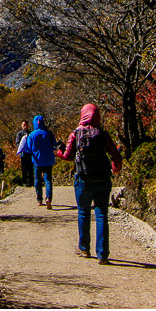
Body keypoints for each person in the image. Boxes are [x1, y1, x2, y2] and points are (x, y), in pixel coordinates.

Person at [56, 103, 123, 264]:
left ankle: (84, 248)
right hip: (103, 179)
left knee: (83, 213)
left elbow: (68, 156)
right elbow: (116, 155)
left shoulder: (76, 134)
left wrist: (59, 152)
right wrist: (115, 168)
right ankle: (103, 254)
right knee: (101, 215)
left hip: (83, 180)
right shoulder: (103, 134)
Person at [21, 115, 58, 209]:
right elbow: (54, 145)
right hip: (48, 160)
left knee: (37, 180)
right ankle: (48, 198)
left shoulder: (32, 135)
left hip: (37, 160)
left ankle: (39, 200)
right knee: (48, 180)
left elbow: (29, 148)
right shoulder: (49, 133)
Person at [15, 120, 33, 186]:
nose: (25, 126)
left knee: (30, 168)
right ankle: (24, 181)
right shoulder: (19, 134)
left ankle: (31, 182)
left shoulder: (31, 133)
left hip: (30, 153)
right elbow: (17, 143)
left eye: (26, 125)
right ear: (21, 126)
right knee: (24, 168)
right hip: (23, 154)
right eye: (24, 125)